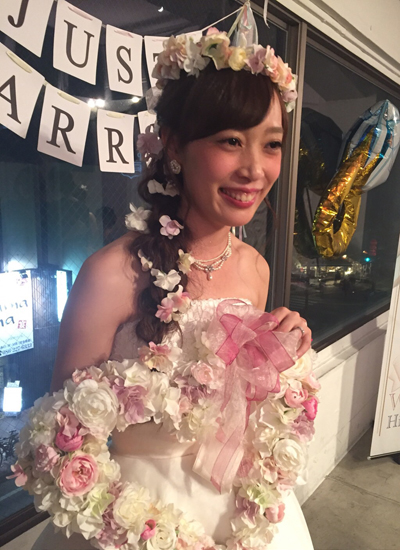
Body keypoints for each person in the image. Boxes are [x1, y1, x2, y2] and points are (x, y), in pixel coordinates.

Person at [32, 29, 313, 550]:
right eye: (231, 141)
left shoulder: (256, 269)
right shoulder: (109, 275)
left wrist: (279, 358)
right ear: (175, 144)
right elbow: (60, 436)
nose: (255, 169)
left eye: (271, 144)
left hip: (239, 506)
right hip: (133, 519)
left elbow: (238, 403)